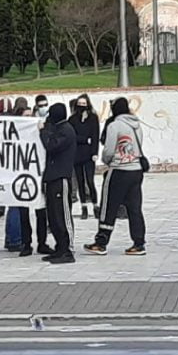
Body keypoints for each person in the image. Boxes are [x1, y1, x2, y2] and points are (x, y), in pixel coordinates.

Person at [84, 97, 147, 256]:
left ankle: (101, 242)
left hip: (119, 170)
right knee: (134, 208)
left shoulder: (115, 125)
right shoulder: (137, 125)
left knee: (108, 206)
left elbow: (109, 150)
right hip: (136, 170)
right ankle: (138, 243)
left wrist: (106, 161)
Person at [39, 103, 77, 264]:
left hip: (61, 178)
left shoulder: (66, 130)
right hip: (51, 177)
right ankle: (59, 247)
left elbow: (51, 145)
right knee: (53, 216)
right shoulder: (58, 128)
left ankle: (67, 249)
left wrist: (43, 130)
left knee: (62, 214)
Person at [69, 94, 100, 220]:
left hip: (89, 154)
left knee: (90, 181)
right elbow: (72, 136)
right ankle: (84, 207)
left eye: (84, 104)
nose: (82, 106)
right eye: (80, 104)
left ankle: (95, 205)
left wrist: (94, 153)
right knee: (80, 181)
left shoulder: (93, 118)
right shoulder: (72, 119)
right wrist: (84, 139)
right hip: (77, 153)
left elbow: (95, 136)